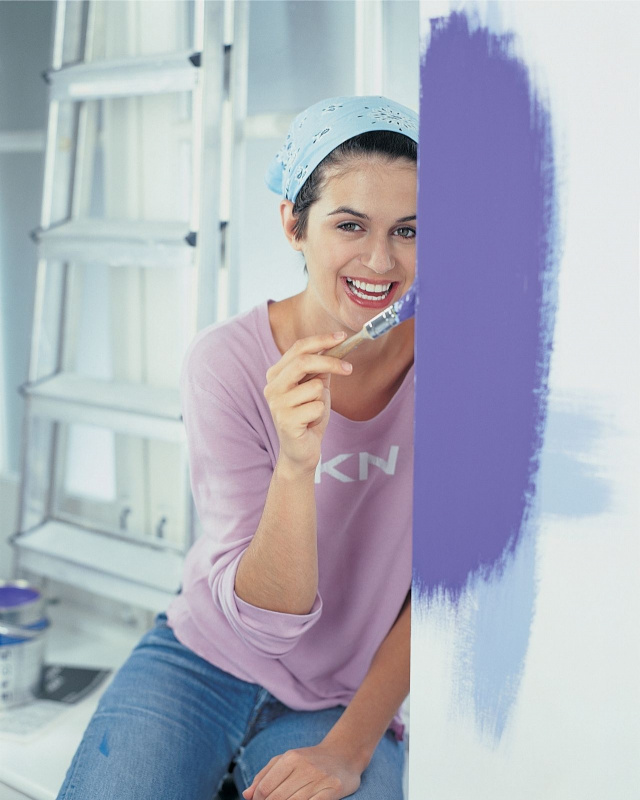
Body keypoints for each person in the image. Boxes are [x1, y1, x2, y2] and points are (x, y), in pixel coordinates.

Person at [56, 95, 417, 800]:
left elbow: (450, 592)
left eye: (409, 229)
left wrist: (347, 749)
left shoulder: (466, 369)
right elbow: (267, 624)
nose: (381, 259)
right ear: (294, 224)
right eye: (350, 224)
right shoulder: (225, 363)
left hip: (346, 692)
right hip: (202, 659)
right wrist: (296, 464)